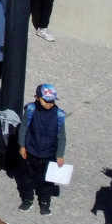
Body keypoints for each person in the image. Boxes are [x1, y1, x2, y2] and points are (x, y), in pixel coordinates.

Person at [17, 84, 68, 215]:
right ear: (37, 97)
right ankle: (28, 199)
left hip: (50, 153)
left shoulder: (59, 115)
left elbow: (62, 136)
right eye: (46, 100)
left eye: (52, 101)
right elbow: (23, 129)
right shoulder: (30, 110)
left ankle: (45, 202)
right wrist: (22, 145)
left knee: (49, 179)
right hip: (32, 151)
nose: (49, 104)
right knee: (28, 177)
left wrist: (60, 155)